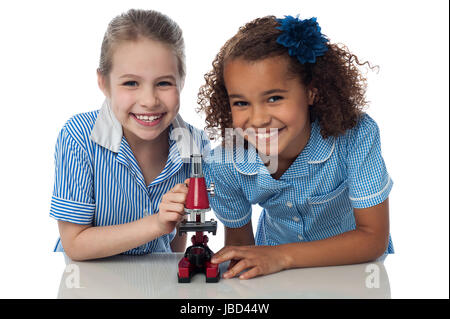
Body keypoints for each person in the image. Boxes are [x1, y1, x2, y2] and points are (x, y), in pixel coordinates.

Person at [198, 15, 394, 279]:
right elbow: (241, 252)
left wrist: (281, 255)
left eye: (274, 98)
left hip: (354, 272)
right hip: (276, 277)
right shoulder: (225, 163)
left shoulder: (356, 137)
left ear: (312, 92)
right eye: (241, 103)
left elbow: (373, 238)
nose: (257, 120)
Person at [49, 9, 208, 261]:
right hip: (87, 283)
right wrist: (156, 223)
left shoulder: (195, 144)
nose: (149, 101)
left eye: (164, 83)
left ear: (182, 81)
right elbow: (75, 244)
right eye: (131, 83)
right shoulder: (79, 136)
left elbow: (178, 233)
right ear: (104, 82)